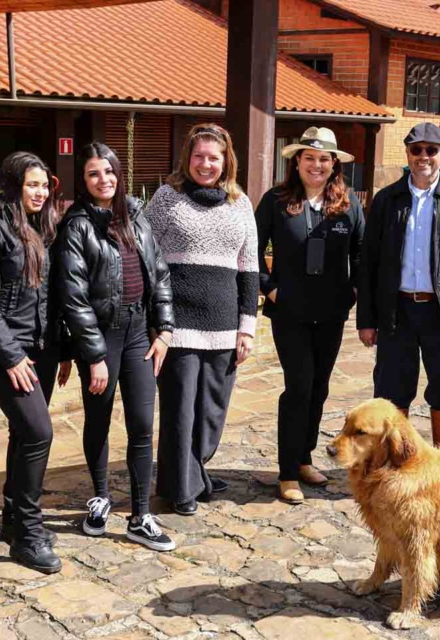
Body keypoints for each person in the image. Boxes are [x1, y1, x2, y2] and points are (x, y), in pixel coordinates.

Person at [57, 142, 176, 551]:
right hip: (101, 336)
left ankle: (141, 515)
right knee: (99, 420)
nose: (103, 179)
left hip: (140, 333)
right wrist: (93, 355)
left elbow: (160, 274)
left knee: (142, 423)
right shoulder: (76, 226)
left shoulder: (137, 217)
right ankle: (100, 497)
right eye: (93, 173)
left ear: (119, 174)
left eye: (108, 171)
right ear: (84, 180)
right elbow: (73, 297)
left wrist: (165, 330)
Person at [357, 122, 440, 462]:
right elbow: (368, 262)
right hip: (398, 312)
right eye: (416, 150)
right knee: (392, 394)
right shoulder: (387, 200)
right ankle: (395, 466)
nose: (423, 157)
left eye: (431, 150)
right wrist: (367, 319)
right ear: (408, 153)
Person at [0, 151, 67, 573]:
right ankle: (28, 535)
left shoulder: (44, 227)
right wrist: (10, 356)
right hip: (3, 351)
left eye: (44, 185)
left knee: (23, 433)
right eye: (31, 185)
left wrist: (62, 350)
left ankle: (12, 519)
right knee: (39, 433)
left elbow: (52, 295)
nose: (39, 192)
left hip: (41, 348)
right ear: (12, 185)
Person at [146, 123, 258, 516]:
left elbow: (249, 267)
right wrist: (157, 322)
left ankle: (194, 472)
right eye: (199, 156)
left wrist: (247, 327)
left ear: (226, 161)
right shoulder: (167, 197)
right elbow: (146, 256)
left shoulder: (240, 202)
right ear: (187, 158)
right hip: (176, 325)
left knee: (211, 412)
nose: (205, 164)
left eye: (214, 157)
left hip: (224, 326)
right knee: (180, 411)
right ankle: (181, 489)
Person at [257, 127, 364, 504]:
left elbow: (362, 252)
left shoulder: (348, 204)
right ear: (297, 162)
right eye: (309, 158)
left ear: (334, 164)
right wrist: (269, 287)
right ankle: (287, 472)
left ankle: (304, 459)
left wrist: (354, 292)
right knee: (299, 387)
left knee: (319, 387)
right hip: (290, 312)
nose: (316, 165)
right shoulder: (276, 200)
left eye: (323, 159)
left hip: (331, 313)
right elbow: (251, 249)